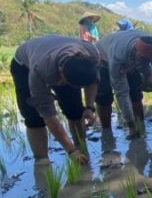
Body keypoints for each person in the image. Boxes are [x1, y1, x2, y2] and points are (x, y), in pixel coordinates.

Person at [10, 35, 100, 165]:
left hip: (57, 53)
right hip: (24, 65)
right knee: (34, 117)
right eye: (64, 82)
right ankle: (42, 161)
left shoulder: (92, 54)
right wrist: (70, 151)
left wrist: (89, 107)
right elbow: (48, 114)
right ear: (61, 72)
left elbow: (93, 81)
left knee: (74, 110)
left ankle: (81, 149)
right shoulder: (39, 70)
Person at [95, 29, 152, 144]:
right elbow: (121, 93)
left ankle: (141, 124)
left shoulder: (150, 42)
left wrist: (148, 77)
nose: (146, 62)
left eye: (148, 60)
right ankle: (107, 132)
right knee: (104, 97)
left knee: (136, 93)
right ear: (136, 51)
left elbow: (149, 62)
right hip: (103, 59)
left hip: (130, 58)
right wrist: (131, 126)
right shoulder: (118, 55)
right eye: (144, 60)